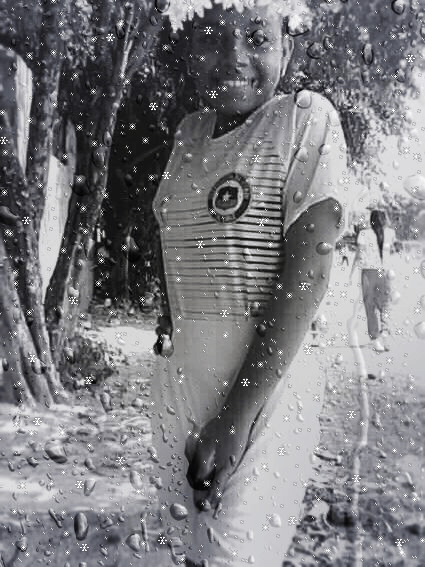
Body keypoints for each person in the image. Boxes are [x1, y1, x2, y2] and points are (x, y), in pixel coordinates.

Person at [149, 2, 349, 566]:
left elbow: (308, 277)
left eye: (257, 38)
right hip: (181, 385)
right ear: (189, 48)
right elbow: (181, 248)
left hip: (265, 394)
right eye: (213, 37)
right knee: (183, 553)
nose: (234, 56)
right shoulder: (188, 134)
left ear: (289, 48)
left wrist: (235, 420)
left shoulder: (304, 121)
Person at [350, 209, 395, 352]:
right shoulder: (390, 233)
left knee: (370, 306)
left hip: (368, 273)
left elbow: (359, 255)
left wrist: (351, 272)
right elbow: (390, 250)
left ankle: (375, 339)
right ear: (384, 220)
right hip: (385, 272)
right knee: (385, 304)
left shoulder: (364, 234)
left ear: (371, 220)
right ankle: (386, 332)